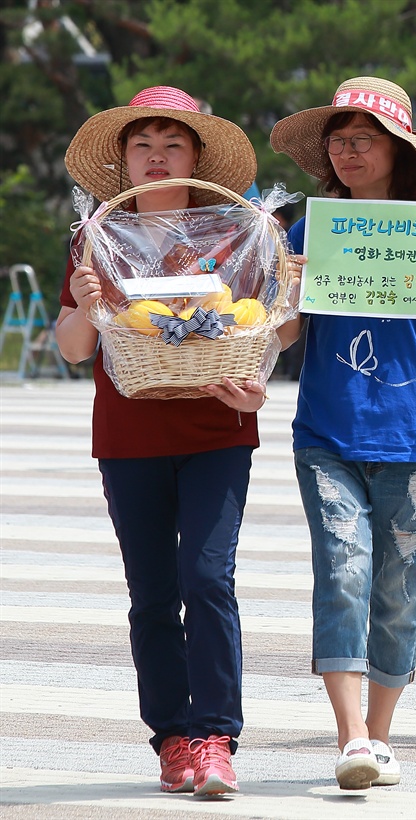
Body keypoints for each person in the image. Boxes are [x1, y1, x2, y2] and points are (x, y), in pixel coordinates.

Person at [55, 86, 304, 797]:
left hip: (219, 425)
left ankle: (217, 735)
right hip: (127, 431)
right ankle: (171, 738)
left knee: (208, 577)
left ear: (197, 156)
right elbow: (74, 348)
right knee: (154, 595)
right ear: (123, 161)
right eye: (143, 146)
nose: (158, 158)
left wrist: (258, 379)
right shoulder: (95, 236)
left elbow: (274, 329)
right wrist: (86, 301)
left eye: (173, 145)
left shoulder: (239, 233)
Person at [269, 76, 416, 789]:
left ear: (398, 149)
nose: (346, 153)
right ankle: (352, 740)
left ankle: (381, 734)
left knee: (399, 592)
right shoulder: (311, 229)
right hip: (327, 437)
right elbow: (282, 336)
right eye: (337, 141)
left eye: (361, 140)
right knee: (341, 575)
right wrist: (286, 289)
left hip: (415, 442)